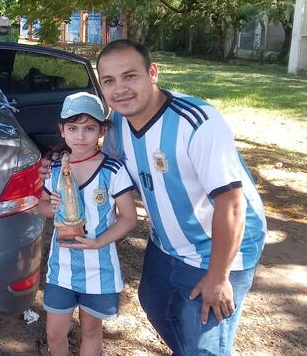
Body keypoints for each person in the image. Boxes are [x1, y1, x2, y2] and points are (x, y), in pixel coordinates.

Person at [43, 40, 267, 356]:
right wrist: (52, 168)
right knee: (157, 306)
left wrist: (218, 277)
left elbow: (232, 203)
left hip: (214, 250)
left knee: (205, 347)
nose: (120, 88)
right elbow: (95, 167)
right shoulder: (118, 125)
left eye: (129, 76)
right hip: (165, 244)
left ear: (152, 73)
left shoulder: (197, 121)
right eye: (108, 81)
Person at [38, 92, 138, 356]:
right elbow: (42, 206)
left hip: (100, 269)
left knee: (92, 331)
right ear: (62, 129)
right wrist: (53, 207)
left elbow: (129, 217)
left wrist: (99, 242)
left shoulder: (112, 171)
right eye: (72, 128)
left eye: (89, 128)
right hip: (62, 269)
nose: (80, 136)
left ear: (102, 130)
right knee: (54, 332)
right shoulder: (55, 169)